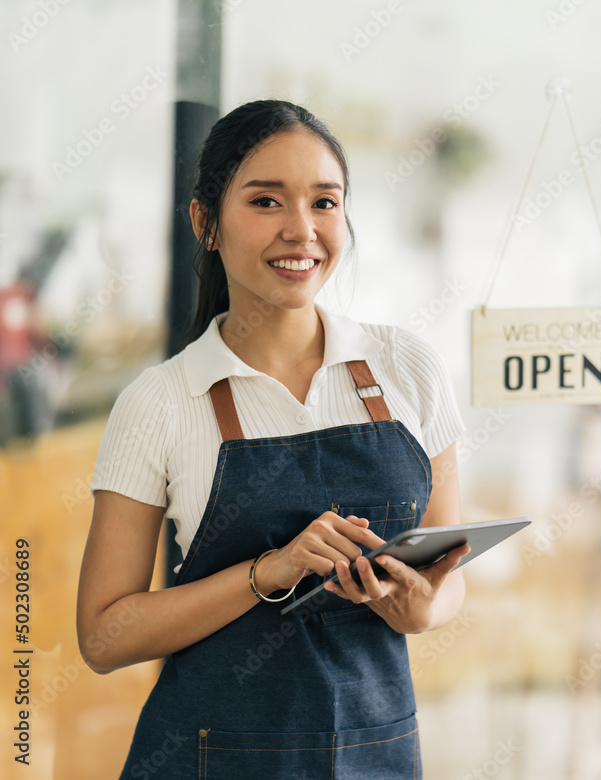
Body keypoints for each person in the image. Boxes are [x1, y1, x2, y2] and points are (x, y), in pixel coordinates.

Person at [76, 99, 470, 778]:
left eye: (325, 202)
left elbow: (448, 571)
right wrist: (271, 573)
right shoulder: (162, 402)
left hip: (376, 753)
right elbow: (104, 636)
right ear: (206, 222)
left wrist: (421, 605)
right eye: (265, 202)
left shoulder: (408, 368)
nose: (302, 231)